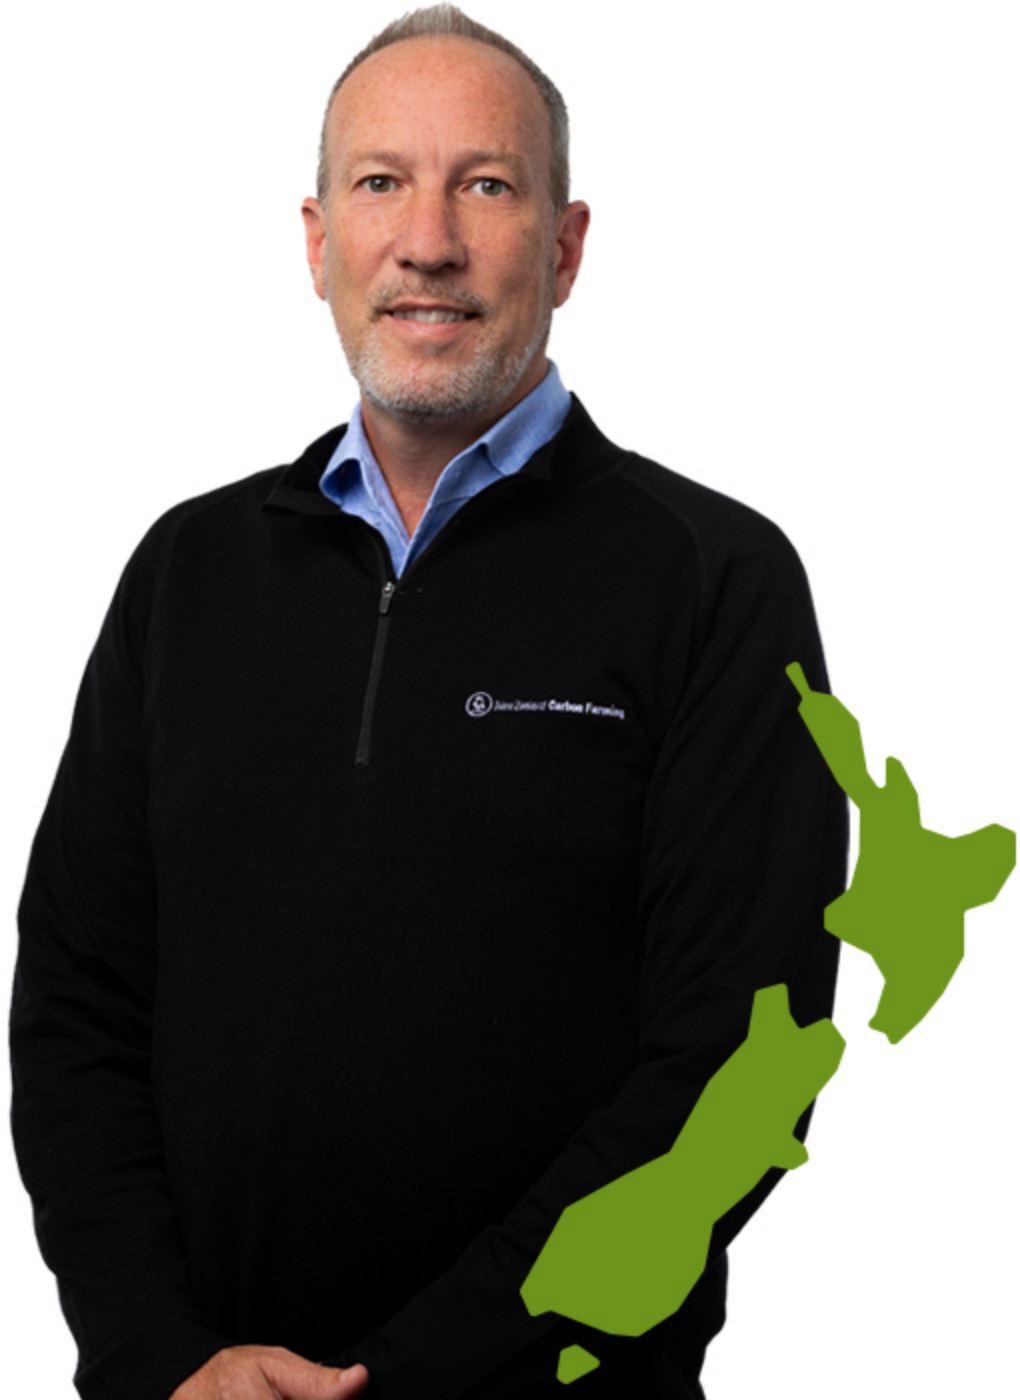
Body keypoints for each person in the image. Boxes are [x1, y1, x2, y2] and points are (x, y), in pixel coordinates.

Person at [10, 6, 846, 1399]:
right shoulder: (187, 573)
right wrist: (162, 1355)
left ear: (565, 247)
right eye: (381, 181)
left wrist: (404, 1381)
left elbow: (740, 1073)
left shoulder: (714, 579)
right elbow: (76, 1004)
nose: (429, 241)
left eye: (488, 184)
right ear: (317, 241)